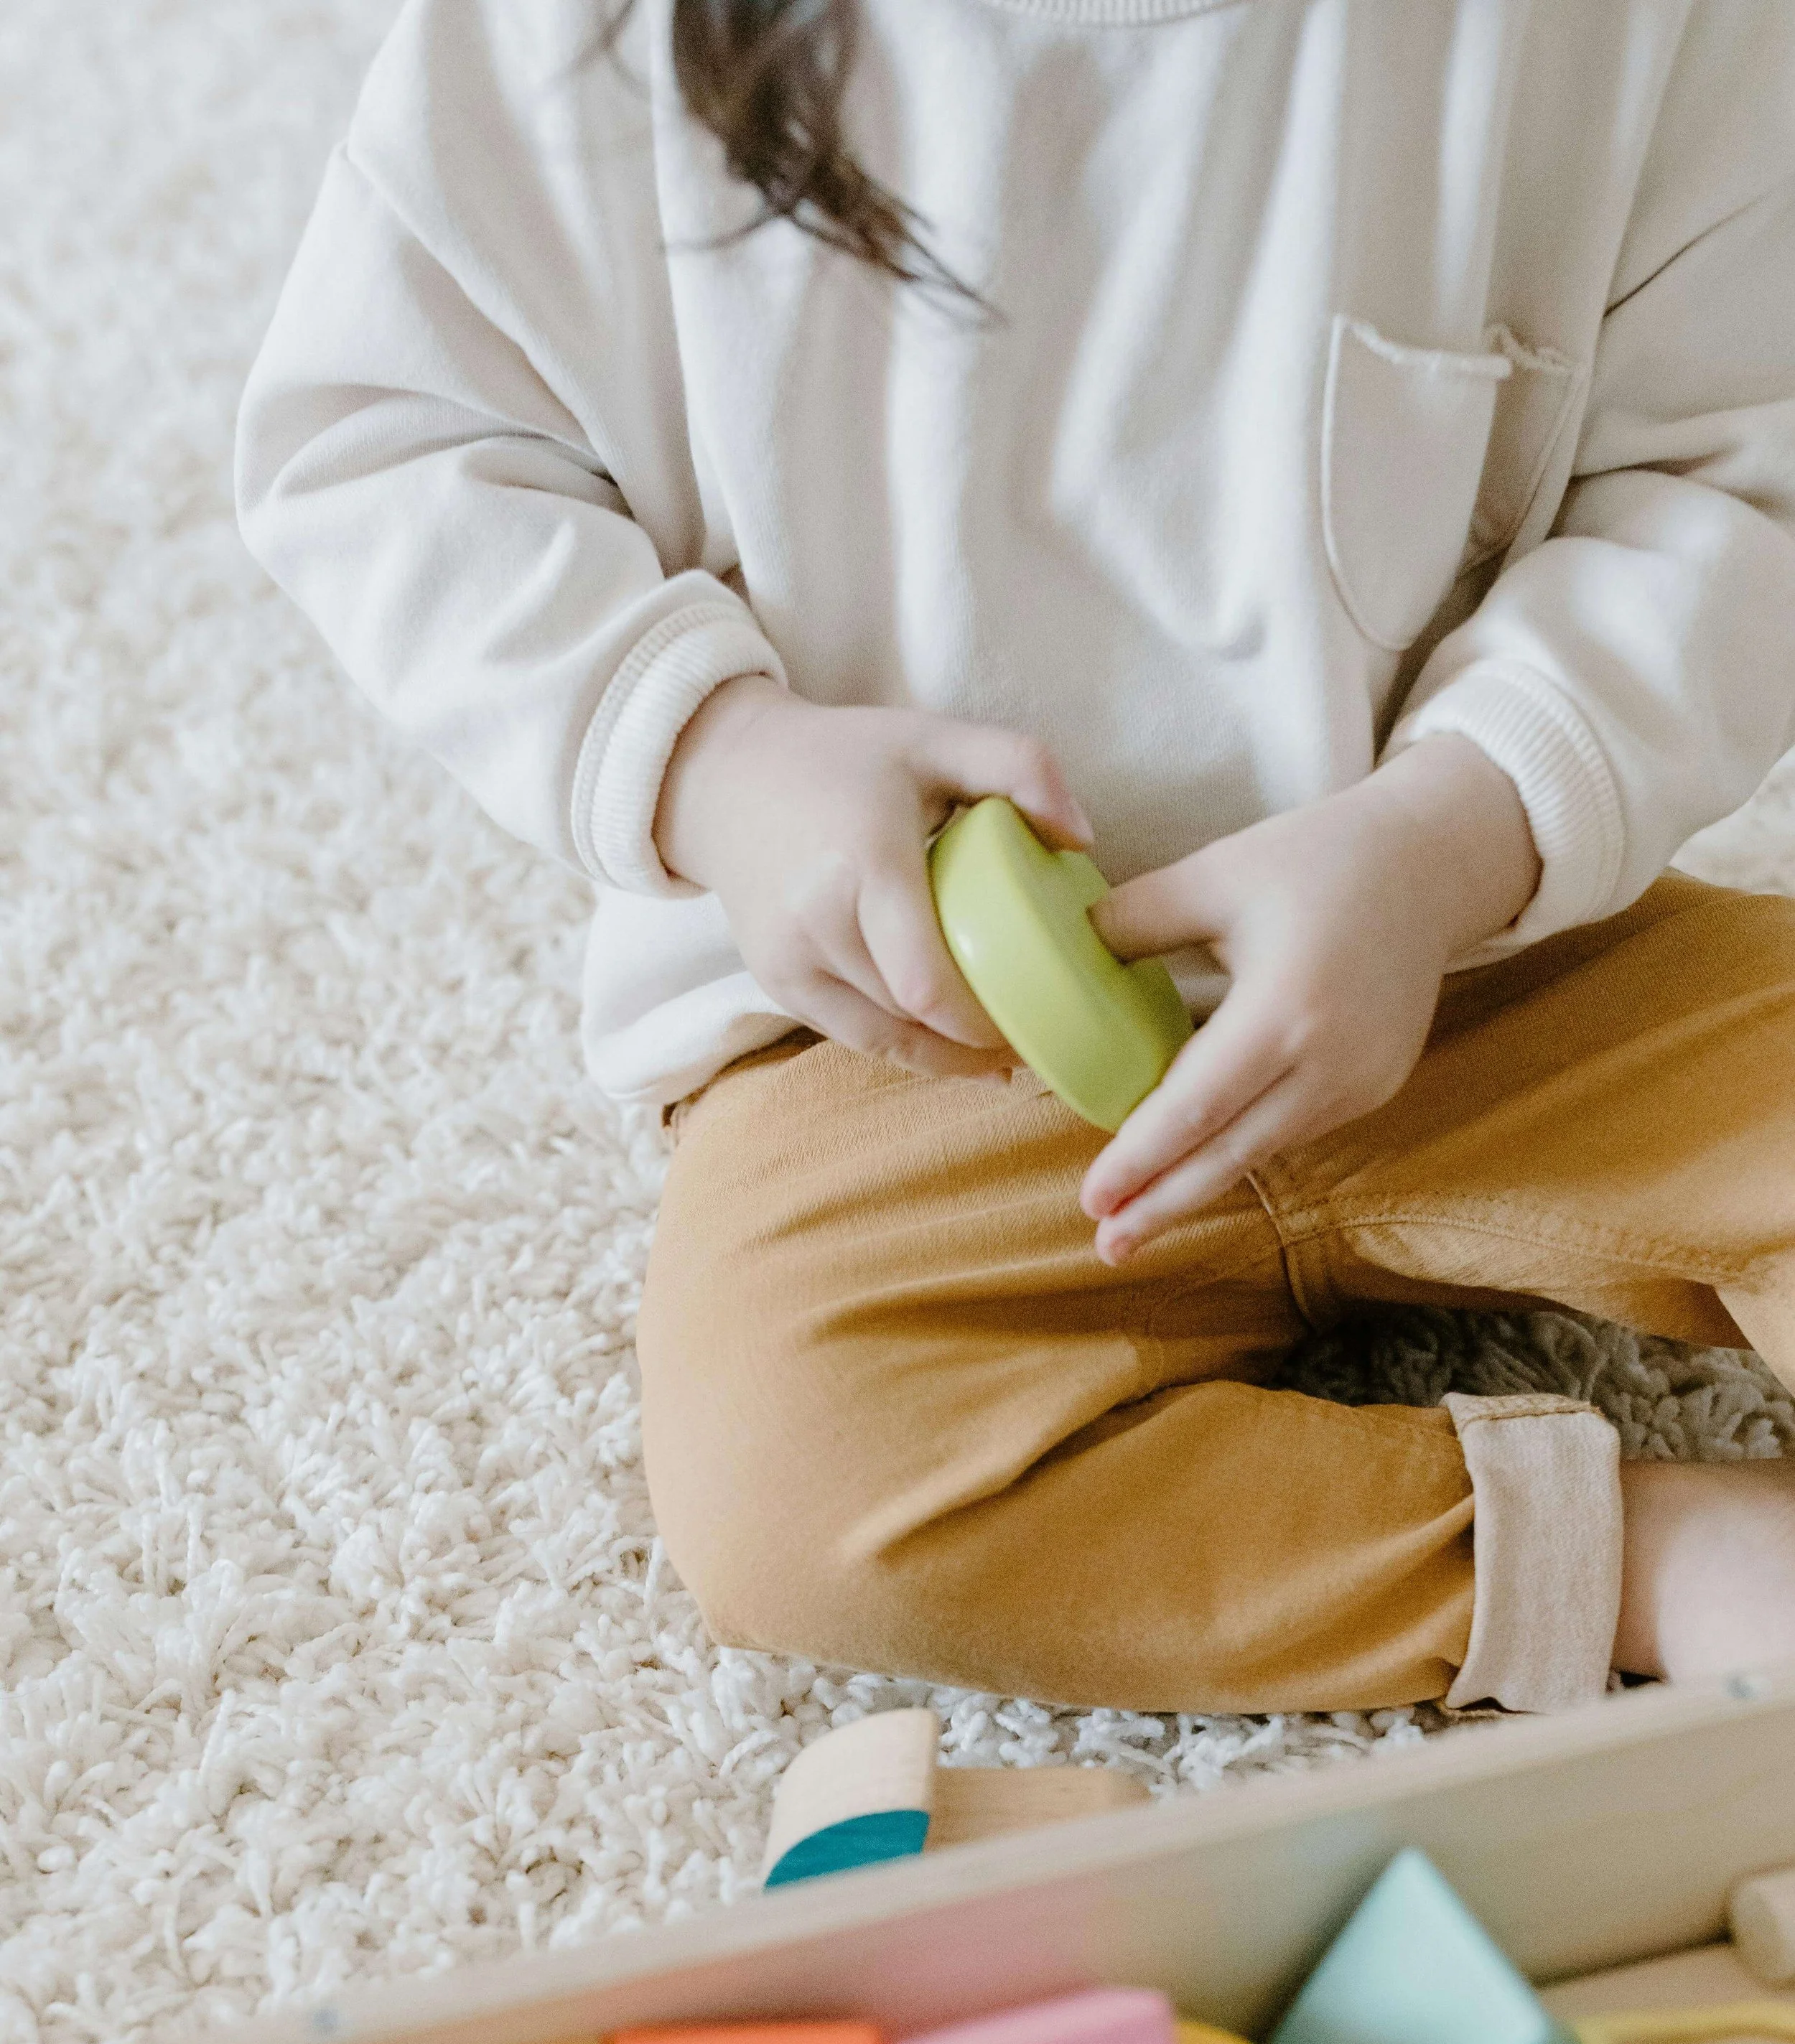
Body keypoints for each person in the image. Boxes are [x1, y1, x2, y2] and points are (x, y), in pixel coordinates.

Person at [237, 0, 1795, 1718]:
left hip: (1479, 954)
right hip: (911, 1040)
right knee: (800, 1479)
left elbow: (1725, 477)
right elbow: (385, 441)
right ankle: (1632, 1555)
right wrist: (716, 759)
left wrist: (1444, 836)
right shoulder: (573, 43)